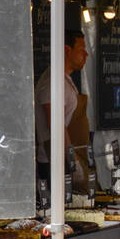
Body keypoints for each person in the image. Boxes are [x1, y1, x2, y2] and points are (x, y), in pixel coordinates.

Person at [37, 28, 91, 164]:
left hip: (69, 156)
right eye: (81, 49)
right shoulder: (52, 82)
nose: (86, 54)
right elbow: (55, 125)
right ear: (67, 50)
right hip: (54, 161)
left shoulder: (65, 79)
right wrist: (72, 159)